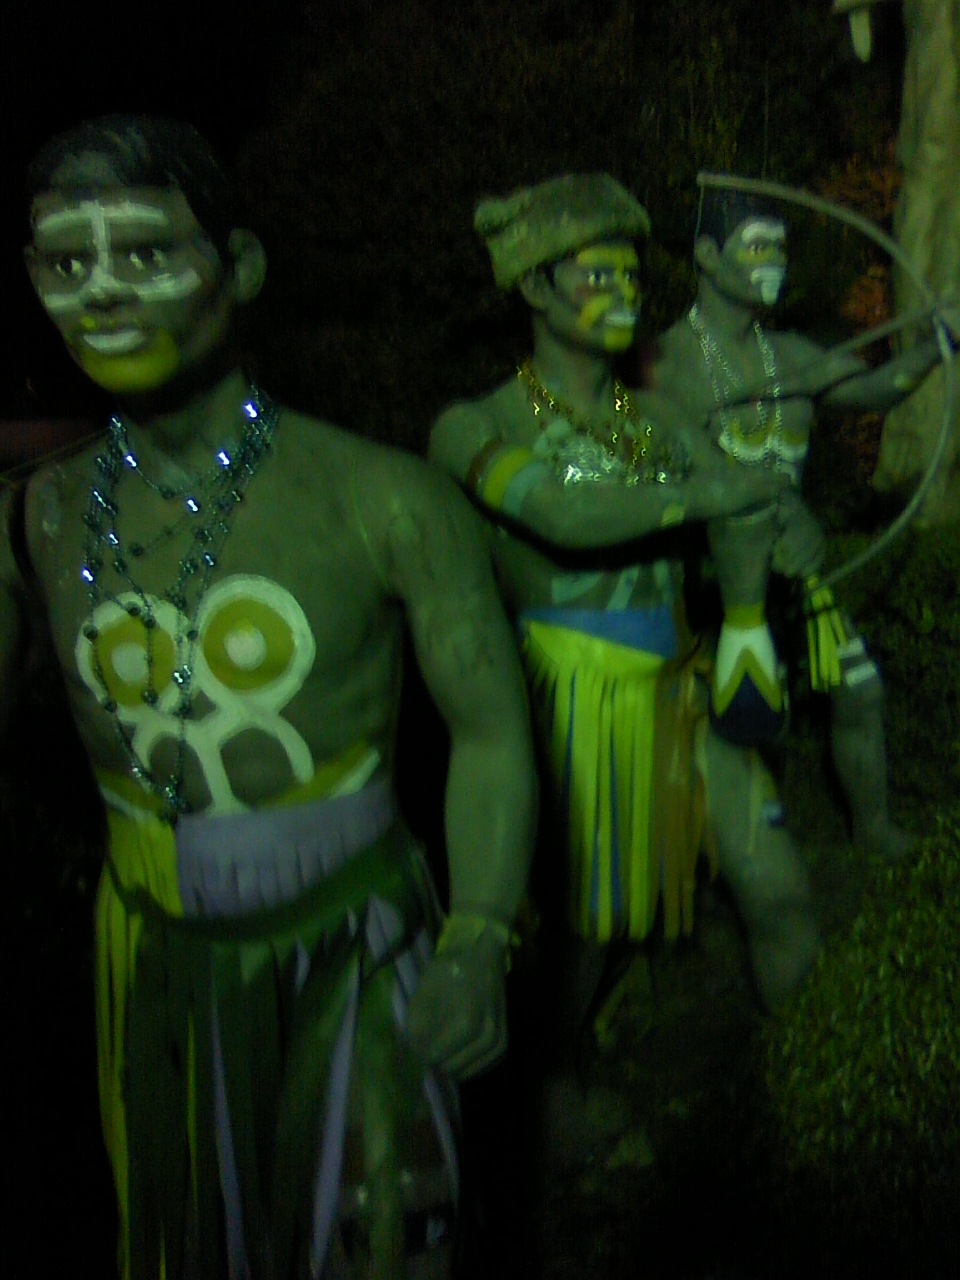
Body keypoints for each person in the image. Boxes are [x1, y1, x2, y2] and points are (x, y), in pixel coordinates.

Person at [2, 115, 537, 1280]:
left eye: (148, 251)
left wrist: (478, 937)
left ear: (239, 265)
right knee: (191, 1237)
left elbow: (494, 732)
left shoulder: (384, 499)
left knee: (386, 1234)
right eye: (66, 262)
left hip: (357, 943)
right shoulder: (38, 514)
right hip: (150, 959)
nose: (103, 291)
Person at [428, 173, 822, 1081]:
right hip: (569, 718)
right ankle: (546, 1097)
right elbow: (564, 515)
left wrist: (787, 524)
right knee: (579, 941)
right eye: (596, 275)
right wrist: (713, 496)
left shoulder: (662, 418)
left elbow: (755, 502)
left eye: (633, 277)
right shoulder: (475, 425)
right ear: (535, 287)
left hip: (684, 694)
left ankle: (809, 1093)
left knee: (779, 888)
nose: (625, 294)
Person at [648, 186, 943, 861]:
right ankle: (714, 855)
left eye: (780, 247)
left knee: (860, 691)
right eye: (757, 246)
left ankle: (872, 829)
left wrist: (934, 348)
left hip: (799, 577)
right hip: (707, 589)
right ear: (707, 255)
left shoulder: (793, 355)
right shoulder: (667, 363)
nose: (774, 261)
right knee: (719, 726)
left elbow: (877, 389)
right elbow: (655, 471)